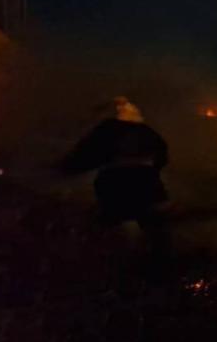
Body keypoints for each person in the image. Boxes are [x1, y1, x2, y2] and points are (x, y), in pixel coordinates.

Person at [59, 96, 171, 261]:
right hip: (146, 179)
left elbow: (84, 154)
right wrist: (151, 171)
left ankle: (116, 261)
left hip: (116, 179)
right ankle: (159, 262)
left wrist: (64, 169)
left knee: (113, 221)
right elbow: (162, 153)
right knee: (151, 221)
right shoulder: (146, 131)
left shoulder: (106, 129)